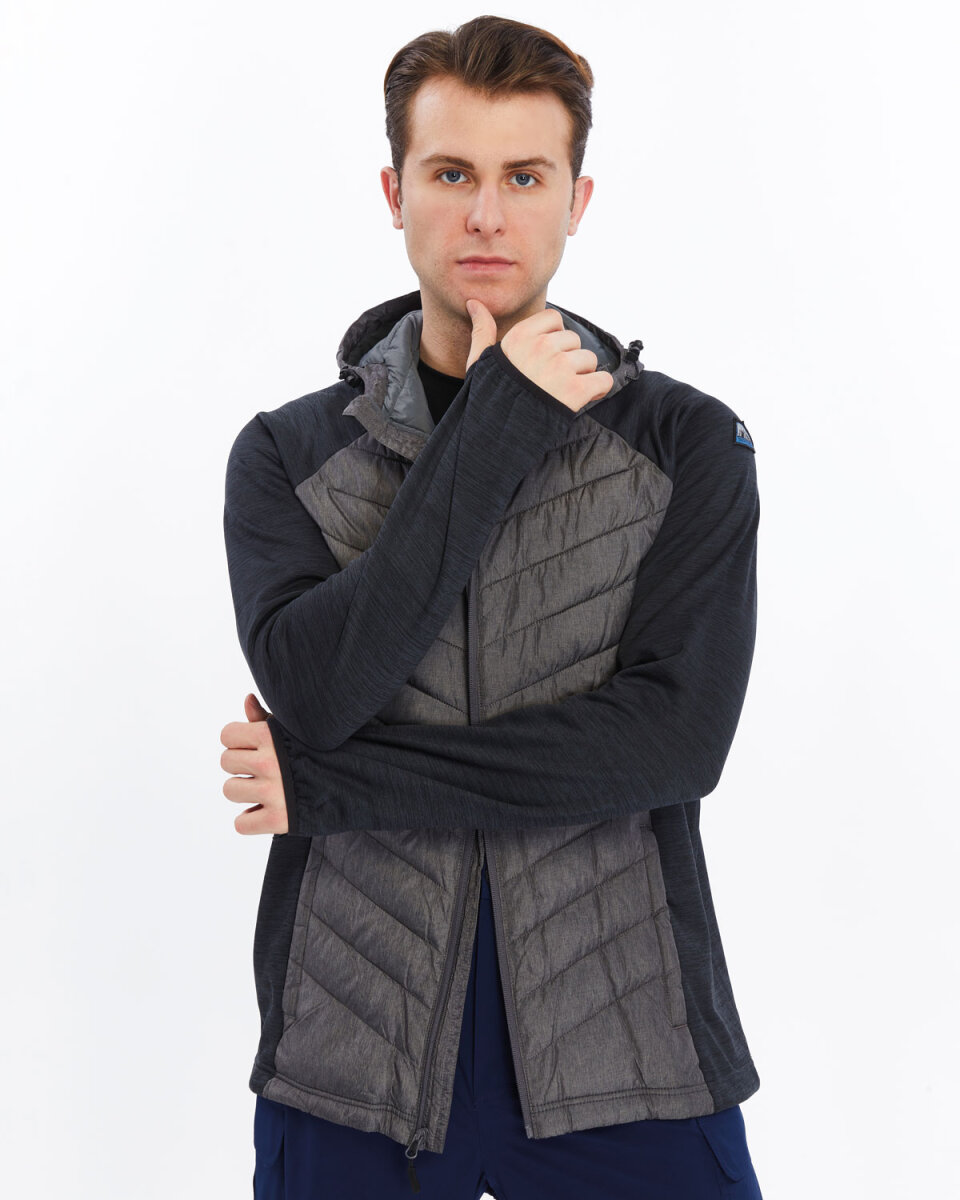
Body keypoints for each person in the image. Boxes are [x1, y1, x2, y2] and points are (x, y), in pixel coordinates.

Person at [220, 15, 764, 1199]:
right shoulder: (284, 457)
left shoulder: (689, 443)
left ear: (576, 200)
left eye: (524, 177)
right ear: (394, 191)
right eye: (451, 173)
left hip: (629, 1055)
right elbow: (319, 691)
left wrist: (330, 786)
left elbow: (671, 742)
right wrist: (499, 420)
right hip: (352, 1064)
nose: (485, 215)